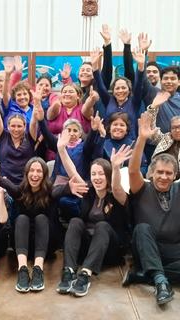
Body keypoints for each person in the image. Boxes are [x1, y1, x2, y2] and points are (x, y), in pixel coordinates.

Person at [53, 142, 130, 297]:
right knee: (75, 222)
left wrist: (115, 167)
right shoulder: (89, 191)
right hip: (87, 247)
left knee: (102, 225)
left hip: (109, 249)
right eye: (93, 174)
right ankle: (68, 271)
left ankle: (85, 275)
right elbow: (73, 173)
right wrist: (62, 150)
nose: (96, 178)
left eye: (101, 174)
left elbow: (116, 187)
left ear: (108, 175)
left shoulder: (117, 195)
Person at [0, 158, 63, 293]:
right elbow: (9, 186)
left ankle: (38, 269)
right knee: (21, 218)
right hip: (22, 247)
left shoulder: (50, 192)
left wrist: (69, 187)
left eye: (39, 171)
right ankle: (22, 269)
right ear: (26, 173)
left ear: (44, 175)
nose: (35, 174)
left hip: (46, 246)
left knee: (41, 218)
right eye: (32, 170)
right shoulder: (21, 191)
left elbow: (61, 191)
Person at [126, 112, 179, 305]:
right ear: (151, 173)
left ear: (175, 175)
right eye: (160, 172)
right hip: (147, 248)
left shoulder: (178, 189)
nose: (164, 177)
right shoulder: (142, 187)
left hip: (174, 252)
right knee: (142, 228)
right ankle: (160, 283)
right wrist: (142, 138)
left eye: (168, 173)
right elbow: (132, 170)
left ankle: (148, 275)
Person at [90, 47, 145, 139]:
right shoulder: (108, 100)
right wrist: (95, 66)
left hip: (130, 144)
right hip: (109, 143)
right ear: (113, 91)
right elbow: (100, 85)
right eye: (117, 88)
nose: (120, 91)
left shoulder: (135, 102)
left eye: (123, 88)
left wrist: (140, 67)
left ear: (129, 90)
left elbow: (139, 85)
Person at [0, 81, 38, 184]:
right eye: (13, 126)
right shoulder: (3, 136)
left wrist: (37, 101)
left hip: (25, 183)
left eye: (19, 126)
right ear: (8, 126)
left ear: (25, 126)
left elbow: (34, 122)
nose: (16, 129)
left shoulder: (30, 137)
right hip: (5, 183)